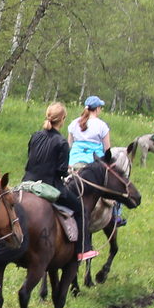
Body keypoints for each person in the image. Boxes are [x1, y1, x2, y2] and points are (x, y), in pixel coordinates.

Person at [24, 101, 97, 262]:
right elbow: (61, 171)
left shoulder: (35, 136)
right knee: (81, 209)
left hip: (27, 183)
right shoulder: (62, 143)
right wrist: (69, 169)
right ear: (62, 119)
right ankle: (82, 250)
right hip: (49, 186)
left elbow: (32, 158)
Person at [67, 95, 124, 229]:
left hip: (74, 163)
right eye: (100, 108)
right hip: (94, 165)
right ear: (97, 109)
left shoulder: (74, 124)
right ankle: (116, 215)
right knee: (117, 184)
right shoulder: (102, 126)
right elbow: (107, 150)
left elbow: (69, 145)